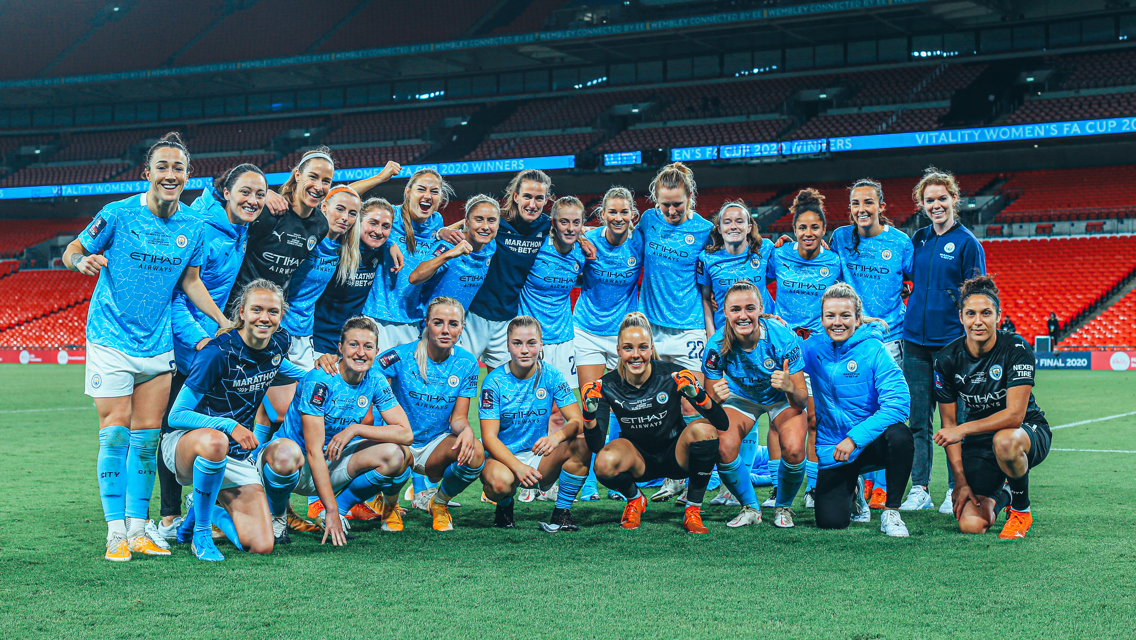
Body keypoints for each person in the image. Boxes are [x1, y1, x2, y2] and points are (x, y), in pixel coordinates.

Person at [63, 132, 229, 561]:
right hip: (111, 337)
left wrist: (222, 320)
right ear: (148, 173)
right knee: (115, 432)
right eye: (163, 167)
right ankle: (114, 531)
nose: (170, 174)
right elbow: (73, 248)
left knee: (146, 438)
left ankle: (139, 528)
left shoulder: (193, 225)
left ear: (188, 175)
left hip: (156, 342)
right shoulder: (117, 214)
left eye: (178, 168)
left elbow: (191, 281)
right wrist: (82, 260)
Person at [158, 163, 267, 540]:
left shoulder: (239, 225)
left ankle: (201, 507)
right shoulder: (201, 227)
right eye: (245, 192)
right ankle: (170, 515)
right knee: (170, 425)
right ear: (225, 192)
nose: (253, 200)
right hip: (183, 344)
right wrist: (198, 339)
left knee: (209, 426)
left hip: (212, 339)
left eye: (260, 194)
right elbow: (177, 293)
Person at [164, 279, 307, 560]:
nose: (264, 318)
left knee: (261, 545)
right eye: (257, 310)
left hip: (237, 454)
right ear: (241, 312)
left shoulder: (279, 342)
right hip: (188, 445)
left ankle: (204, 507)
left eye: (273, 312)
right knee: (216, 441)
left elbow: (283, 367)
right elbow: (176, 415)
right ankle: (202, 533)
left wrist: (324, 372)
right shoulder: (217, 352)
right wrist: (229, 426)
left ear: (282, 315)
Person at [582, 312, 731, 534]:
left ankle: (693, 510)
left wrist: (699, 395)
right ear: (619, 351)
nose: (636, 355)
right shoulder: (605, 385)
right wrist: (588, 415)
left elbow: (722, 423)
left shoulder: (672, 374)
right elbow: (596, 446)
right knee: (604, 462)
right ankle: (635, 500)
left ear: (651, 349)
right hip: (639, 460)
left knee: (705, 431)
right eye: (628, 348)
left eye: (642, 347)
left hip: (676, 456)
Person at [273, 316, 414, 545]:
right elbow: (313, 451)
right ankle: (278, 515)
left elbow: (406, 434)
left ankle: (340, 510)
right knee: (284, 454)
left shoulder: (375, 380)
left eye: (368, 346)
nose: (361, 352)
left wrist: (355, 429)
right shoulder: (321, 379)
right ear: (340, 348)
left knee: (396, 455)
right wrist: (327, 506)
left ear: (376, 351)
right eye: (353, 344)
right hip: (296, 465)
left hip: (333, 460)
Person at [933, 276, 1051, 539]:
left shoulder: (1016, 347)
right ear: (961, 317)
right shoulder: (947, 359)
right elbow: (948, 427)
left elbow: (1014, 415)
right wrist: (960, 482)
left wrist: (962, 430)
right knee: (972, 524)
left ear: (998, 315)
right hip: (980, 441)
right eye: (971, 314)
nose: (978, 321)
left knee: (1005, 441)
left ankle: (1021, 510)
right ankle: (1007, 491)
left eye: (986, 313)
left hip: (1026, 431)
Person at [902, 167, 986, 514]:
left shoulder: (968, 243)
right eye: (929, 200)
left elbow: (979, 296)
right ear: (921, 204)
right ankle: (919, 488)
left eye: (941, 198)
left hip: (952, 346)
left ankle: (956, 489)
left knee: (955, 422)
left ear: (954, 199)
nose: (936, 205)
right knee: (918, 421)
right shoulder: (918, 239)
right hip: (915, 344)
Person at [829, 178, 914, 511]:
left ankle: (881, 487)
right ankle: (858, 481)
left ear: (882, 206)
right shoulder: (840, 238)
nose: (861, 209)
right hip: (851, 339)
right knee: (855, 411)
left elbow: (911, 280)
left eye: (867, 203)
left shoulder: (901, 243)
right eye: (855, 203)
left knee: (887, 412)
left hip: (890, 338)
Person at [806, 283, 913, 536]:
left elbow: (899, 404)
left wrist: (854, 439)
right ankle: (855, 491)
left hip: (869, 443)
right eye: (830, 316)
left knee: (900, 436)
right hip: (834, 448)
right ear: (821, 318)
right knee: (830, 521)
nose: (837, 322)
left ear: (857, 318)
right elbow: (781, 346)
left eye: (845, 315)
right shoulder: (812, 348)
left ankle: (891, 512)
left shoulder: (874, 349)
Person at [635, 162, 714, 501]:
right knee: (659, 405)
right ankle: (672, 475)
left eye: (677, 204)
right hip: (652, 329)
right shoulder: (647, 221)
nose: (670, 210)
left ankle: (699, 478)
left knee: (691, 405)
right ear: (655, 200)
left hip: (689, 329)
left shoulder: (706, 229)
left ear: (690, 198)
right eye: (664, 203)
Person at [702, 282, 810, 528]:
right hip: (743, 399)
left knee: (793, 449)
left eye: (750, 308)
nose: (743, 315)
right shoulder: (715, 346)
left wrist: (790, 387)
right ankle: (750, 507)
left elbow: (802, 400)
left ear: (761, 309)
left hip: (780, 398)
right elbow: (709, 406)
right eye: (736, 309)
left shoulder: (783, 336)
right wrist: (715, 399)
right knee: (723, 447)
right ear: (726, 313)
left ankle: (783, 507)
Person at [767, 188, 849, 507]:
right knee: (779, 417)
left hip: (817, 350)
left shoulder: (835, 262)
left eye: (815, 227)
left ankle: (813, 488)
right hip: (782, 348)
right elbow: (757, 278)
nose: (808, 233)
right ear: (794, 230)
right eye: (803, 227)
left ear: (823, 230)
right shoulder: (779, 255)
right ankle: (777, 487)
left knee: (815, 419)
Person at [375, 297, 484, 531]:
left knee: (475, 452)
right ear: (426, 323)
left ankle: (440, 503)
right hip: (399, 441)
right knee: (395, 458)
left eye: (453, 324)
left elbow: (458, 418)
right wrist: (332, 360)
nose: (446, 330)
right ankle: (390, 506)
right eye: (438, 322)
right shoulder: (400, 356)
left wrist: (466, 431)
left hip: (435, 445)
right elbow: (362, 368)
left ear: (462, 328)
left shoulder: (467, 363)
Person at [263, 186, 362, 434]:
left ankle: (262, 460)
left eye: (352, 213)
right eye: (339, 209)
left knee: (296, 408)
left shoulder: (343, 250)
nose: (345, 218)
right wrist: (266, 193)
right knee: (284, 411)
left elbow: (380, 221)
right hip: (277, 330)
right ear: (323, 207)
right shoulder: (303, 237)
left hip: (304, 335)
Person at [479, 316, 591, 531]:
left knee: (583, 442)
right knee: (499, 484)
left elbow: (577, 421)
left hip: (539, 456)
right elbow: (489, 438)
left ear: (540, 345)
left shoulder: (551, 375)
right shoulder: (494, 381)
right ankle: (504, 506)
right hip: (503, 458)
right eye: (517, 343)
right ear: (508, 346)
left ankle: (561, 512)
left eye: (531, 343)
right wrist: (517, 466)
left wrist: (556, 437)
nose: (524, 350)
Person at [572, 187, 643, 502]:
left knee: (625, 408)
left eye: (623, 212)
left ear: (633, 215)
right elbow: (558, 228)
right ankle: (586, 482)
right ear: (601, 215)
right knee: (592, 405)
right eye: (611, 212)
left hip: (622, 338)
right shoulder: (587, 241)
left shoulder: (639, 243)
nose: (618, 217)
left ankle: (618, 474)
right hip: (586, 331)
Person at [224, 147, 333, 314]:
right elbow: (230, 195)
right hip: (239, 308)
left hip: (274, 313)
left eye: (326, 181)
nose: (319, 186)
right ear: (297, 175)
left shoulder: (321, 226)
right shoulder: (269, 212)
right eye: (313, 177)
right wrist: (261, 194)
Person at [362, 167, 453, 353]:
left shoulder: (437, 222)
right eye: (421, 189)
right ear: (408, 192)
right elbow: (358, 219)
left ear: (440, 198)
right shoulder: (390, 215)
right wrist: (388, 243)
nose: (427, 195)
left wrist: (443, 231)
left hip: (411, 320)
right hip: (377, 317)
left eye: (434, 192)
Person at [311, 198, 397, 357]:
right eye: (373, 223)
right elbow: (338, 200)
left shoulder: (379, 250)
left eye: (385, 226)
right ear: (358, 221)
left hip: (351, 340)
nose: (378, 231)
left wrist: (390, 243)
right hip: (318, 338)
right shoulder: (339, 247)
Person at [518, 196, 587, 390]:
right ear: (553, 222)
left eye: (576, 222)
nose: (570, 228)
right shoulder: (535, 247)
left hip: (565, 337)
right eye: (564, 222)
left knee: (559, 411)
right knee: (530, 405)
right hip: (531, 338)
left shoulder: (582, 252)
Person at [410, 194, 500, 314]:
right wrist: (450, 254)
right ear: (466, 223)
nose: (485, 227)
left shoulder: (490, 245)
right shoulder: (448, 246)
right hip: (430, 324)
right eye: (478, 219)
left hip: (457, 325)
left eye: (491, 220)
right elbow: (414, 277)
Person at [697, 200, 775, 335]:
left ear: (749, 227)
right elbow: (706, 298)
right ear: (719, 229)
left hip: (763, 332)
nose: (733, 226)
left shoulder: (765, 249)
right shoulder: (707, 258)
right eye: (727, 222)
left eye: (739, 221)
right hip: (725, 334)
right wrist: (711, 335)